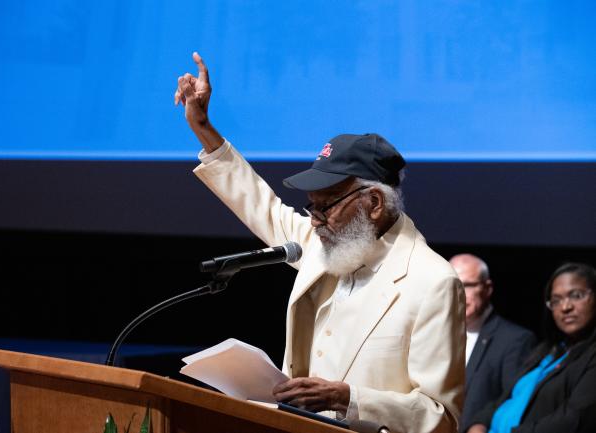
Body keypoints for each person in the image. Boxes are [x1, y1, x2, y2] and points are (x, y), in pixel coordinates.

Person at [174, 52, 465, 433]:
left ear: (373, 204)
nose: (313, 219)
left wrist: (348, 400)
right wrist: (203, 128)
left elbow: (440, 417)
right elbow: (260, 205)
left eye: (325, 206)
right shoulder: (325, 241)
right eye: (310, 206)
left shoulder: (432, 282)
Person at [466, 262, 596, 433]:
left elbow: (572, 420)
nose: (565, 307)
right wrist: (478, 424)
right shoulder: (547, 351)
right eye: (556, 300)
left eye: (576, 295)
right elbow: (505, 398)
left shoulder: (591, 355)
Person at [449, 254, 537, 432]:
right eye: (452, 285)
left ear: (487, 288)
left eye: (466, 285)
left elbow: (513, 401)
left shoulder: (516, 340)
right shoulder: (435, 333)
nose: (458, 292)